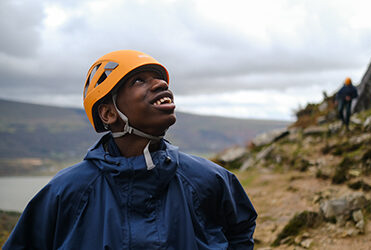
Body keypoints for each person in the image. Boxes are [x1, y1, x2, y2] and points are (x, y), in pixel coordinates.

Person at [3, 50, 257, 249]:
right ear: (108, 113)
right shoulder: (67, 191)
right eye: (138, 81)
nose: (160, 84)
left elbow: (240, 229)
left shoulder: (209, 179)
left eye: (159, 78)